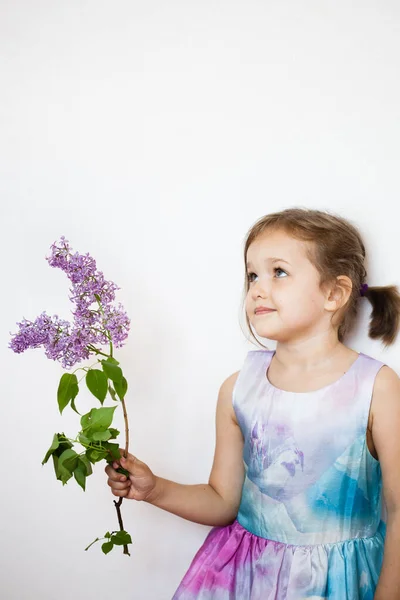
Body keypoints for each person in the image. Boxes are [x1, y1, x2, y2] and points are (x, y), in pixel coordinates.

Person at [105, 207, 400, 599]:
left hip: (337, 584)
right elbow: (222, 501)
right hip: (246, 578)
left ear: (334, 293)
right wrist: (153, 489)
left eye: (278, 272)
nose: (257, 288)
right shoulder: (238, 389)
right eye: (252, 275)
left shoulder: (375, 388)